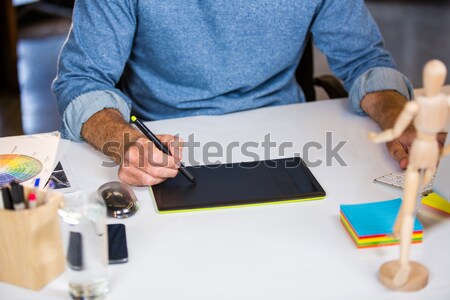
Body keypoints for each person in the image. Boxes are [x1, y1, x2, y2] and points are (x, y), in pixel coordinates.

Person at [52, 0, 434, 186]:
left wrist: (398, 117)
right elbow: (83, 78)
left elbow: (362, 56)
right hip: (166, 147)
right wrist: (126, 141)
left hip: (289, 143)